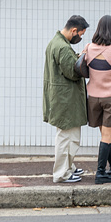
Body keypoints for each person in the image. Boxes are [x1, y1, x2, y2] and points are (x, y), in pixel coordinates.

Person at [43, 15, 89, 183]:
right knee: (67, 138)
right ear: (73, 30)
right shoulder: (63, 47)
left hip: (61, 98)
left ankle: (68, 168)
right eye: (81, 34)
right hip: (66, 100)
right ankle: (62, 173)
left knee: (67, 136)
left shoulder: (55, 43)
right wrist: (83, 57)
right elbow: (72, 71)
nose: (80, 38)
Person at [83, 15, 111, 184]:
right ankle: (100, 172)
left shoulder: (88, 48)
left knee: (105, 134)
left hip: (93, 98)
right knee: (106, 135)